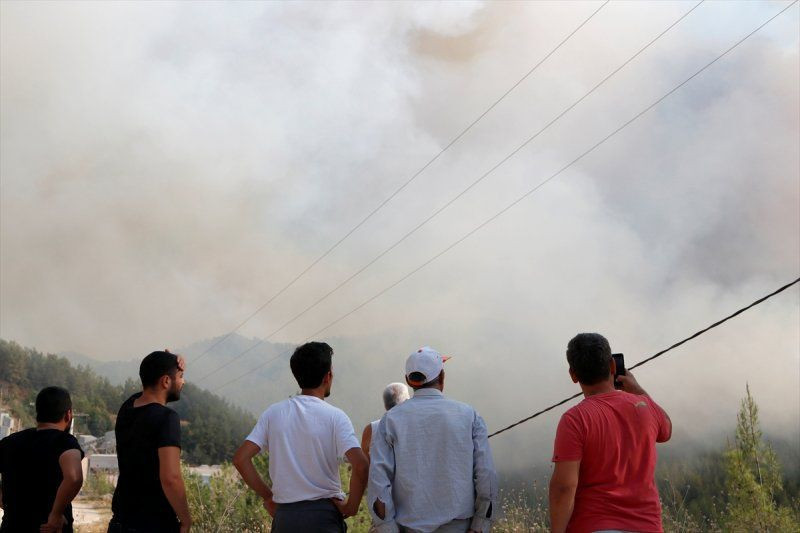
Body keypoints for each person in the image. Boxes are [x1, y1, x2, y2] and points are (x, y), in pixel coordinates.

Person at [233, 341, 368, 532]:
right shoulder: (336, 417)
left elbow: (240, 459)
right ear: (328, 376)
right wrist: (351, 507)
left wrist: (269, 497)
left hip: (285, 519)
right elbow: (361, 464)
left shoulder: (273, 413)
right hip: (324, 518)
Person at [549, 333, 672, 533]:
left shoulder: (574, 419)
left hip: (594, 526)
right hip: (647, 526)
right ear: (613, 366)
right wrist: (638, 390)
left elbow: (564, 487)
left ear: (573, 375)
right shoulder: (644, 406)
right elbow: (666, 429)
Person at [369, 346, 497, 533]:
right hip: (460, 527)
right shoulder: (469, 416)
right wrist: (480, 525)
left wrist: (388, 528)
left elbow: (378, 481)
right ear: (442, 377)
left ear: (409, 380)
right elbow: (486, 474)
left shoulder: (390, 420)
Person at [108, 350, 191, 533]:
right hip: (154, 524)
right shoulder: (167, 418)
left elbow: (149, 382)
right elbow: (171, 478)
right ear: (166, 381)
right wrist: (186, 520)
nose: (183, 381)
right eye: (180, 376)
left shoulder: (127, 407)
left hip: (120, 522)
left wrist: (165, 359)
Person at [0, 386, 84, 533]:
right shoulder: (64, 442)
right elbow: (74, 477)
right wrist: (56, 514)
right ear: (68, 415)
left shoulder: (11, 441)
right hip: (49, 528)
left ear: (38, 412)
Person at [361, 383, 410, 459]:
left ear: (385, 405)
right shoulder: (414, 426)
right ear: (406, 402)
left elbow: (365, 464)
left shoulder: (370, 429)